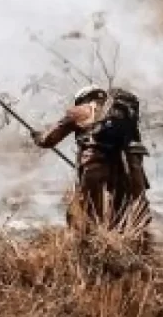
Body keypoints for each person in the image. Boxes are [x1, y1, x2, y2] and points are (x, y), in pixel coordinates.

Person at [31, 85, 150, 235]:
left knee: (82, 220)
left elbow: (48, 139)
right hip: (123, 176)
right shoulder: (122, 116)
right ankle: (118, 252)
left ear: (83, 99)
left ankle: (87, 254)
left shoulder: (82, 110)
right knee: (117, 223)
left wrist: (37, 137)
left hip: (94, 170)